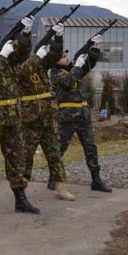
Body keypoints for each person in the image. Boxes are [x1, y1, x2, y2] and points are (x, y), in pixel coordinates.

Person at [0, 16, 42, 214]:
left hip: (12, 117)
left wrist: (25, 34)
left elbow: (22, 53)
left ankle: (20, 198)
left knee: (16, 159)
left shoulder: (7, 60)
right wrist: (2, 56)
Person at [16, 23, 75, 201]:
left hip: (48, 116)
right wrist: (35, 56)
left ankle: (60, 186)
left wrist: (57, 38)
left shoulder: (41, 65)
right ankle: (21, 189)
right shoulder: (17, 64)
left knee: (54, 153)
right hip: (30, 118)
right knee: (26, 154)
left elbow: (55, 56)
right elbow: (22, 72)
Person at [50, 35, 112, 193]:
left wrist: (94, 50)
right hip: (67, 117)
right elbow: (69, 81)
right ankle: (53, 177)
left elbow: (88, 66)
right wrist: (76, 65)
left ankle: (96, 180)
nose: (67, 58)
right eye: (63, 56)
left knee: (91, 147)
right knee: (60, 148)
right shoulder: (55, 73)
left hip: (83, 115)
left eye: (67, 55)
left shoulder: (74, 70)